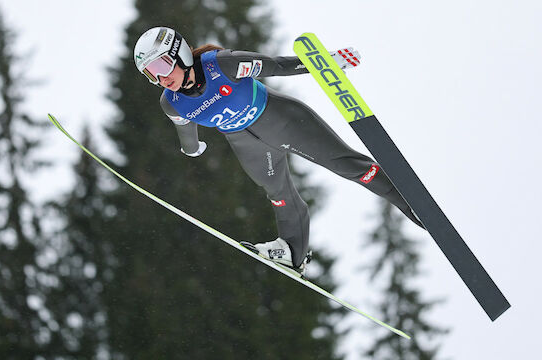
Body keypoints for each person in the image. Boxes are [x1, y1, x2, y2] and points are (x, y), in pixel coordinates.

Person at [133, 27, 423, 274]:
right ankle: (293, 253)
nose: (160, 79)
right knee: (279, 195)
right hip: (246, 144)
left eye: (161, 67)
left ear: (180, 53)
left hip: (282, 121)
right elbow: (186, 131)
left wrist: (326, 63)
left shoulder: (221, 65)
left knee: (347, 166)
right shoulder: (171, 103)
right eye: (151, 74)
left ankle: (416, 206)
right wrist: (192, 149)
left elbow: (278, 65)